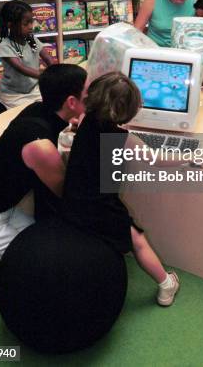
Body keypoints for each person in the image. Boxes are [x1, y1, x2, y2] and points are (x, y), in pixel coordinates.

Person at [0, 64, 87, 290]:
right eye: (87, 94)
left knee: (44, 237)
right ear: (71, 102)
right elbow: (64, 192)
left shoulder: (36, 109)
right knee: (37, 265)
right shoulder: (40, 147)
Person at [61, 72, 180, 306]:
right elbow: (155, 159)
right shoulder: (122, 137)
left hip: (74, 199)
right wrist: (190, 157)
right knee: (137, 240)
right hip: (101, 203)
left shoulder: (85, 119)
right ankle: (166, 284)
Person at [0, 0, 57, 109]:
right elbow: (21, 68)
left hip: (34, 89)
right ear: (10, 25)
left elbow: (47, 57)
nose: (31, 27)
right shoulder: (6, 45)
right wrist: (46, 76)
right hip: (13, 94)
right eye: (26, 23)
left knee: (49, 106)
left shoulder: (31, 40)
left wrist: (56, 70)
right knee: (24, 114)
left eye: (31, 22)